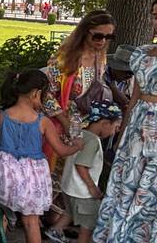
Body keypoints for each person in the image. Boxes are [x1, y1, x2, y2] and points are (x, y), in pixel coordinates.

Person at [94, 0, 157, 242]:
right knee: (128, 188)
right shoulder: (144, 54)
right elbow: (136, 97)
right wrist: (124, 133)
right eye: (155, 16)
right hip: (138, 135)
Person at [0, 69, 83, 243]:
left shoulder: (1, 115)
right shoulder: (43, 121)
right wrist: (77, 146)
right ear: (36, 93)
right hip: (32, 178)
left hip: (4, 173)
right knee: (31, 222)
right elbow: (60, 150)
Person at [42, 10, 116, 169]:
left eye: (108, 37)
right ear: (85, 31)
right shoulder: (64, 58)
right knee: (56, 172)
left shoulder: (100, 57)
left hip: (87, 125)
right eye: (98, 36)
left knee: (76, 175)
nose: (103, 41)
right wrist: (66, 123)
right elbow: (47, 94)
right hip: (62, 126)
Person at [44, 101, 122, 243]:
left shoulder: (80, 134)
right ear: (105, 123)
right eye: (116, 127)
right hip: (83, 193)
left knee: (70, 211)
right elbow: (81, 165)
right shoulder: (93, 141)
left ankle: (56, 229)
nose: (116, 131)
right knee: (87, 228)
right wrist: (92, 187)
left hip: (69, 188)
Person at [104, 44, 136, 111]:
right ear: (115, 67)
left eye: (133, 73)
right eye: (127, 71)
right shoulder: (99, 74)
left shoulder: (131, 81)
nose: (130, 75)